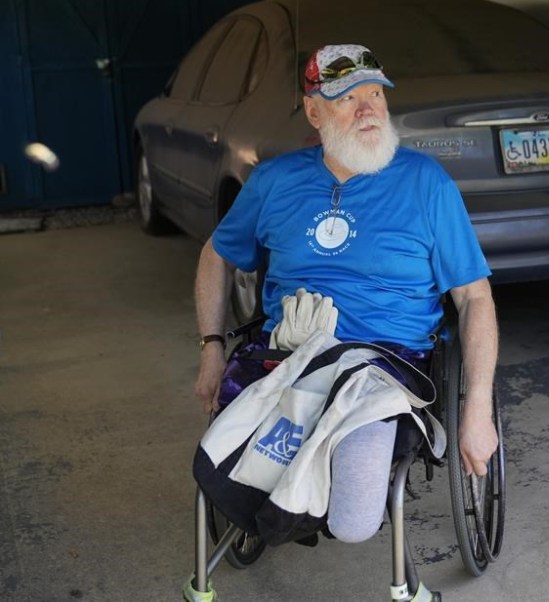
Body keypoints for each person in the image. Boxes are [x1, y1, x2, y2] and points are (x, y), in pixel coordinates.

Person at [192, 43, 499, 543]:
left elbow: (474, 298)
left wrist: (477, 408)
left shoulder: (426, 183)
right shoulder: (275, 180)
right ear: (313, 111)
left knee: (353, 522)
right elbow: (216, 254)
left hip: (384, 367)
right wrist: (211, 349)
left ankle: (305, 502)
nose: (368, 109)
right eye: (347, 97)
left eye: (375, 94)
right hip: (287, 358)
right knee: (225, 471)